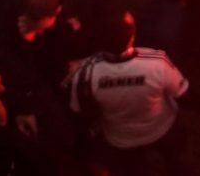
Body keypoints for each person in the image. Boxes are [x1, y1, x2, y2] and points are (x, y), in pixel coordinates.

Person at [67, 9, 190, 169]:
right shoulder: (156, 62)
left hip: (121, 140)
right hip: (163, 129)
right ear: (132, 37)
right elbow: (181, 92)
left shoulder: (84, 74)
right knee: (176, 159)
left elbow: (78, 111)